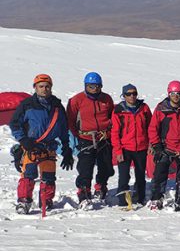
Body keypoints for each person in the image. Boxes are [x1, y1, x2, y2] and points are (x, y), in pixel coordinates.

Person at [10, 74, 73, 214]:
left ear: (51, 88)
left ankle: (46, 200)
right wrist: (23, 140)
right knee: (28, 175)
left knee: (49, 177)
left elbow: (64, 129)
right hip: (31, 146)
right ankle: (23, 201)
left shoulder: (57, 106)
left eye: (47, 86)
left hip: (49, 147)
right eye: (41, 86)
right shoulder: (27, 105)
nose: (44, 89)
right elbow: (15, 124)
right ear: (35, 88)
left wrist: (67, 148)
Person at [66, 71, 115, 204]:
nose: (94, 89)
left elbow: (113, 118)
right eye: (91, 86)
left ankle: (101, 186)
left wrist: (109, 133)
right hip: (86, 138)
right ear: (85, 86)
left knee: (105, 166)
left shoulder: (107, 99)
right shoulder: (77, 100)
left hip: (104, 138)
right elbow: (70, 120)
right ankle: (84, 190)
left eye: (97, 86)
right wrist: (78, 135)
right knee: (85, 167)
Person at [147, 81, 180, 211]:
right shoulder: (161, 109)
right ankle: (157, 198)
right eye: (173, 93)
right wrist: (156, 146)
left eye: (179, 94)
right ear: (169, 93)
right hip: (166, 147)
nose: (176, 96)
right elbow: (153, 128)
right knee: (159, 174)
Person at [111, 84, 152, 207]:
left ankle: (140, 198)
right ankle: (123, 201)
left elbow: (151, 127)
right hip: (125, 148)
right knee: (123, 176)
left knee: (140, 174)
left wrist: (151, 144)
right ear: (124, 96)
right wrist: (118, 151)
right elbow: (114, 132)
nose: (132, 96)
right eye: (129, 94)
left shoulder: (144, 108)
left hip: (141, 147)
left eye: (134, 93)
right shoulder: (119, 110)